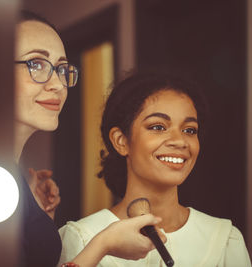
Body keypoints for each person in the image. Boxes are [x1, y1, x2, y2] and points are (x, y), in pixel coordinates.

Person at [14, 11, 166, 267]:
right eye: (37, 64)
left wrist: (37, 220)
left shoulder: (14, 179)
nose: (58, 85)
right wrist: (103, 244)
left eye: (62, 69)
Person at [58, 72, 252, 266]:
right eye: (158, 127)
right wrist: (102, 245)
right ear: (121, 141)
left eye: (189, 130)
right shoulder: (82, 238)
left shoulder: (224, 239)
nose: (179, 141)